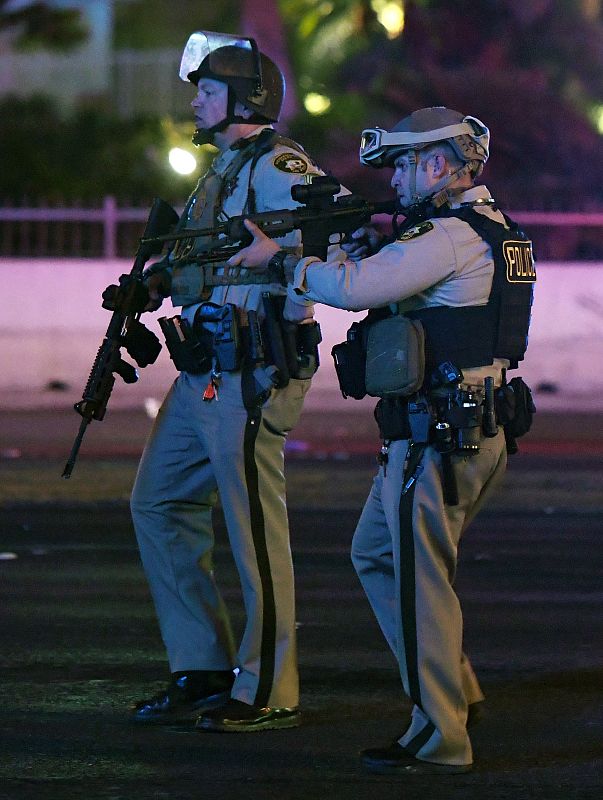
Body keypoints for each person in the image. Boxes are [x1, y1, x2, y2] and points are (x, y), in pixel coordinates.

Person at [228, 107, 536, 770]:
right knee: (376, 553)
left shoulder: (449, 234)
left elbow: (356, 287)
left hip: (437, 435)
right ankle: (453, 691)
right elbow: (407, 290)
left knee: (418, 582)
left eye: (402, 164)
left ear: (436, 163)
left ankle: (438, 735)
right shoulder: (493, 229)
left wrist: (284, 260)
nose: (395, 179)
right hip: (470, 427)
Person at [128, 31, 327, 733]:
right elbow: (205, 255)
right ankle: (202, 668)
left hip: (251, 369)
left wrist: (285, 266)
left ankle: (270, 686)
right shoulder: (222, 170)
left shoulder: (276, 162)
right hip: (205, 368)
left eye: (208, 90)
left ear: (244, 96)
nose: (197, 100)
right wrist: (153, 281)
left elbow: (323, 223)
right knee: (157, 503)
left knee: (253, 534)